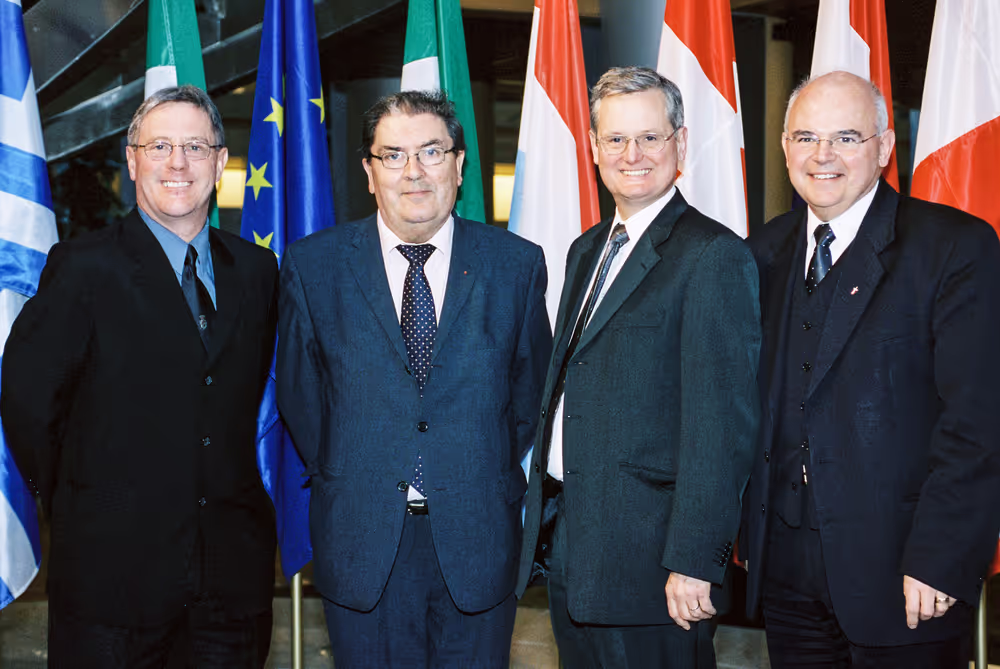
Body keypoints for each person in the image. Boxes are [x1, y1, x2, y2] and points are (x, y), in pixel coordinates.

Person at [1, 85, 278, 667]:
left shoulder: (256, 270)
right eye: (159, 146)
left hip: (231, 588)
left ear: (222, 162)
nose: (177, 163)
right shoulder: (83, 267)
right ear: (132, 161)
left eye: (195, 146)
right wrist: (87, 500)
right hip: (110, 584)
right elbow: (27, 401)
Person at [276, 89, 552, 668]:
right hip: (363, 537)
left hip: (478, 537)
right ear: (369, 172)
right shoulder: (313, 265)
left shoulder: (516, 265)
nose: (413, 172)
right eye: (393, 156)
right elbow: (303, 398)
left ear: (458, 163)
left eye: (430, 152)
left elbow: (529, 401)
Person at [741, 70, 1000, 668]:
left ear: (884, 148)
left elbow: (976, 424)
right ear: (784, 148)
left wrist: (942, 558)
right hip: (784, 575)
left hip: (908, 578)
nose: (822, 155)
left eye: (846, 138)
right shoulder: (761, 254)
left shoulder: (953, 247)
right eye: (805, 137)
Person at [516, 65, 761, 668]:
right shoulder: (587, 250)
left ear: (680, 144)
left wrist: (694, 561)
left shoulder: (712, 255)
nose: (633, 154)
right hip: (573, 547)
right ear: (595, 148)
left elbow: (721, 426)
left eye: (651, 137)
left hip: (655, 566)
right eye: (617, 139)